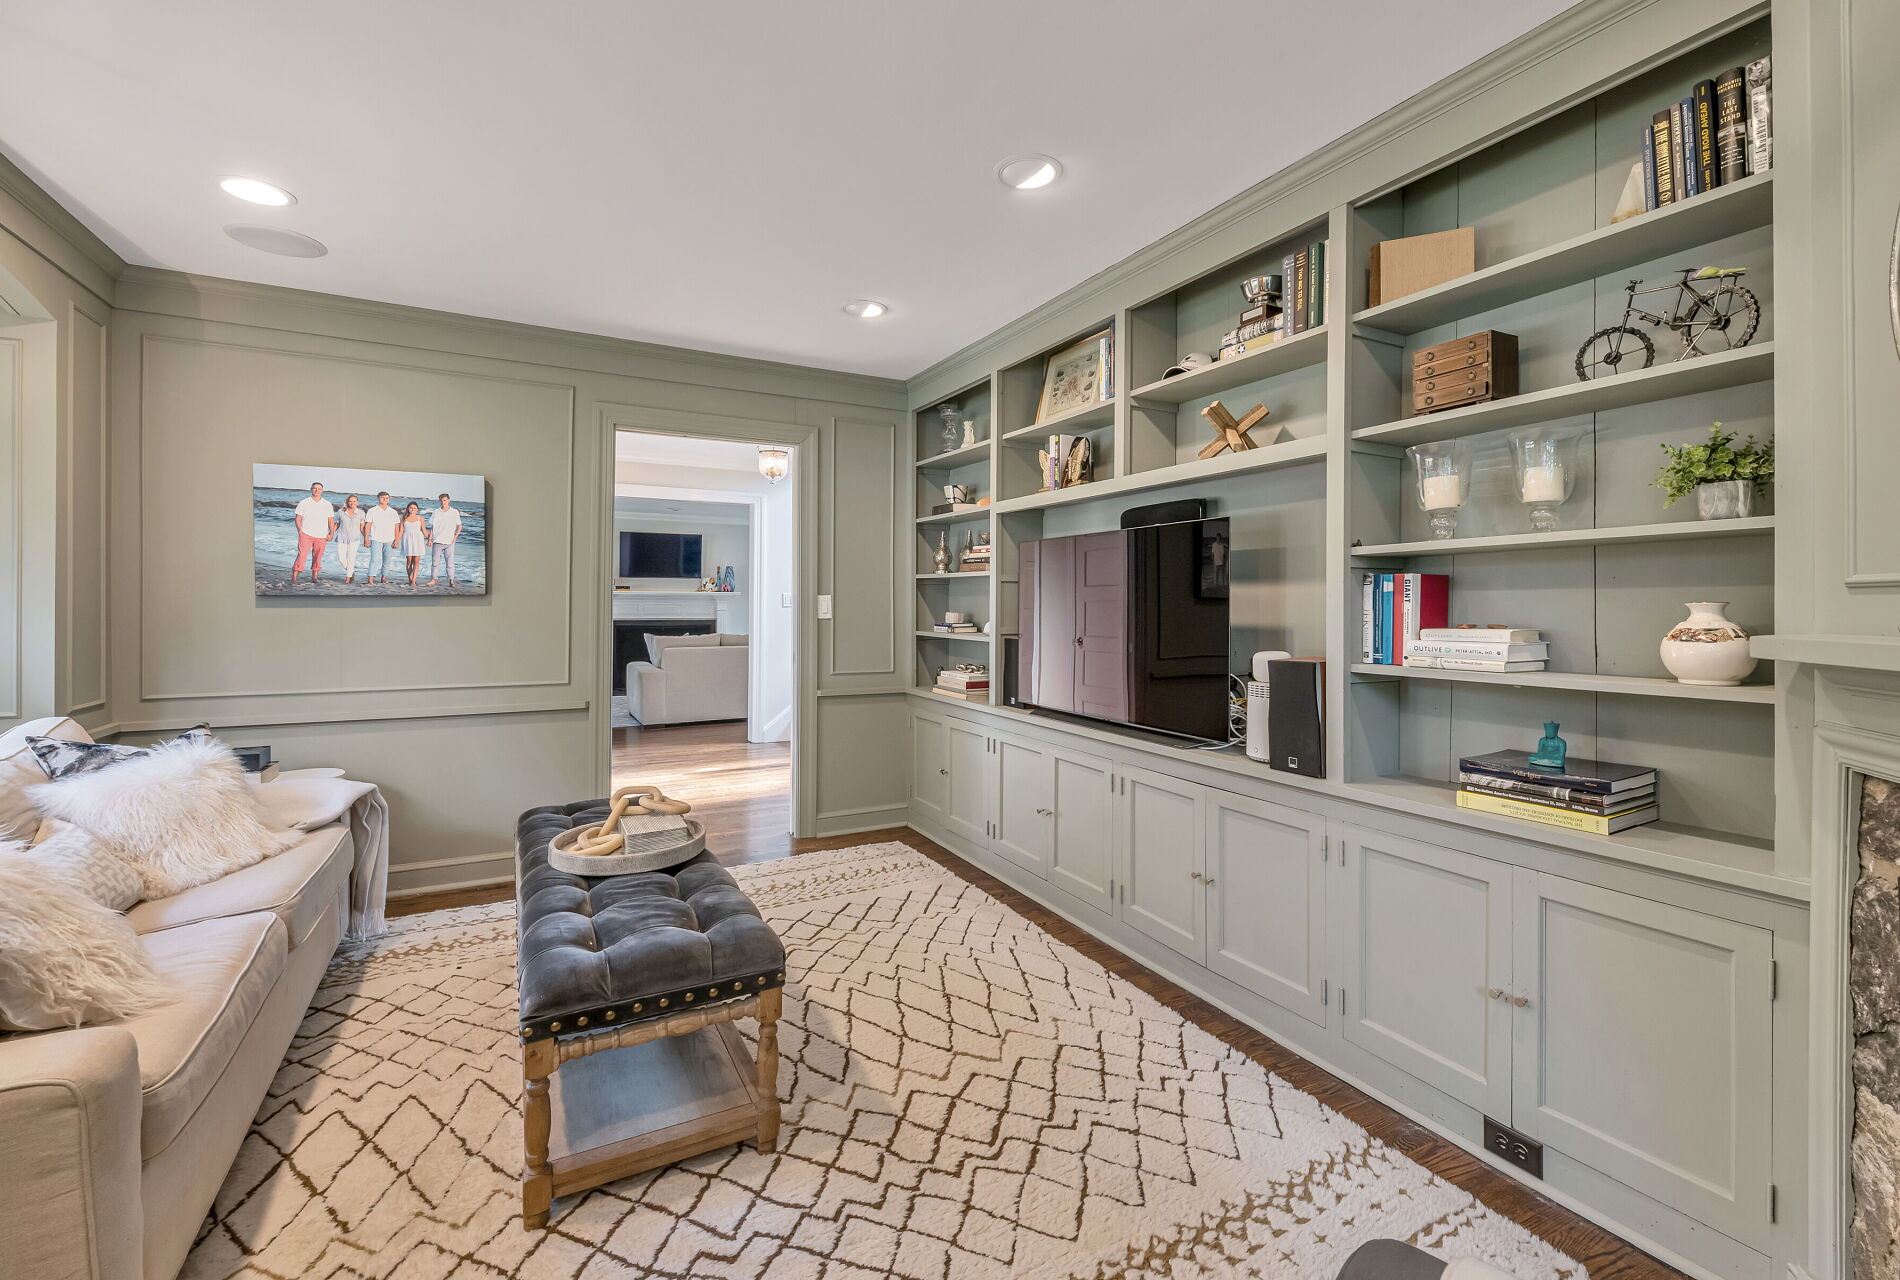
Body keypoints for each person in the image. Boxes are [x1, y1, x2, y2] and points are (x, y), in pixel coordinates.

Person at [289, 482, 336, 585]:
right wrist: (300, 531)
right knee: (302, 555)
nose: (317, 490)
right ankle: (294, 576)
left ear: (322, 490)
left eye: (319, 489)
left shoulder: (327, 504)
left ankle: (314, 577)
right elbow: (298, 518)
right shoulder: (304, 502)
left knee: (318, 556)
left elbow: (331, 520)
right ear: (311, 489)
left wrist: (331, 533)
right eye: (315, 488)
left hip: (321, 535)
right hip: (306, 533)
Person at [424, 493, 463, 587]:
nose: (443, 502)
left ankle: (451, 580)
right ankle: (433, 580)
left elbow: (459, 526)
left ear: (449, 500)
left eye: (445, 500)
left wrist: (455, 537)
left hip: (449, 541)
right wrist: (429, 539)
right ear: (439, 501)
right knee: (435, 562)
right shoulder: (436, 512)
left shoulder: (454, 512)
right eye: (441, 500)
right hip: (437, 540)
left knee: (449, 562)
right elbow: (432, 527)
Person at [363, 491, 400, 584]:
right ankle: (370, 579)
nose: (384, 499)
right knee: (374, 559)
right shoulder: (372, 510)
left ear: (389, 499)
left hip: (390, 540)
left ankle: (384, 579)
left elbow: (396, 527)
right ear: (378, 498)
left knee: (387, 560)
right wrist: (366, 538)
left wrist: (396, 540)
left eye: (387, 498)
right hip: (376, 538)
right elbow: (368, 525)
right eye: (382, 497)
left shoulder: (393, 512)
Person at [334, 494, 367, 584]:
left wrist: (366, 539)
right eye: (350, 501)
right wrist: (330, 533)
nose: (352, 503)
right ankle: (351, 572)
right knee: (341, 559)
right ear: (347, 502)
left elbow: (362, 527)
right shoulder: (340, 511)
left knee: (351, 558)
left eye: (354, 501)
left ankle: (348, 577)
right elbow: (336, 524)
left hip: (354, 538)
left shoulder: (361, 513)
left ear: (357, 502)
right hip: (341, 537)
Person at [398, 501, 428, 586]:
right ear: (408, 508)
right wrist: (396, 541)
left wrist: (430, 539)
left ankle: (414, 580)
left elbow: (424, 530)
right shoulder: (403, 518)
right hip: (407, 540)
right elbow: (401, 531)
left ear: (417, 509)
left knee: (416, 561)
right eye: (411, 507)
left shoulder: (420, 518)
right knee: (409, 561)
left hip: (418, 540)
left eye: (414, 508)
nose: (413, 509)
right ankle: (410, 579)